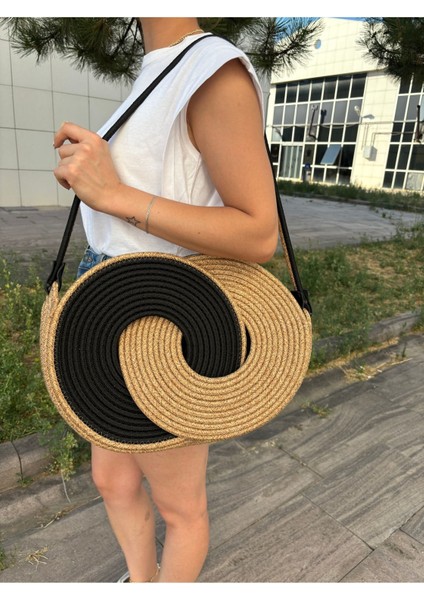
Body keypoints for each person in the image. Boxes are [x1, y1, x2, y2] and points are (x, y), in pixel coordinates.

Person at [53, 17, 278, 583]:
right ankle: (142, 581)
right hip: (103, 297)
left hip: (165, 307)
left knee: (180, 507)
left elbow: (259, 234)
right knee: (112, 479)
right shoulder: (156, 70)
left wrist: (113, 194)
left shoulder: (212, 70)